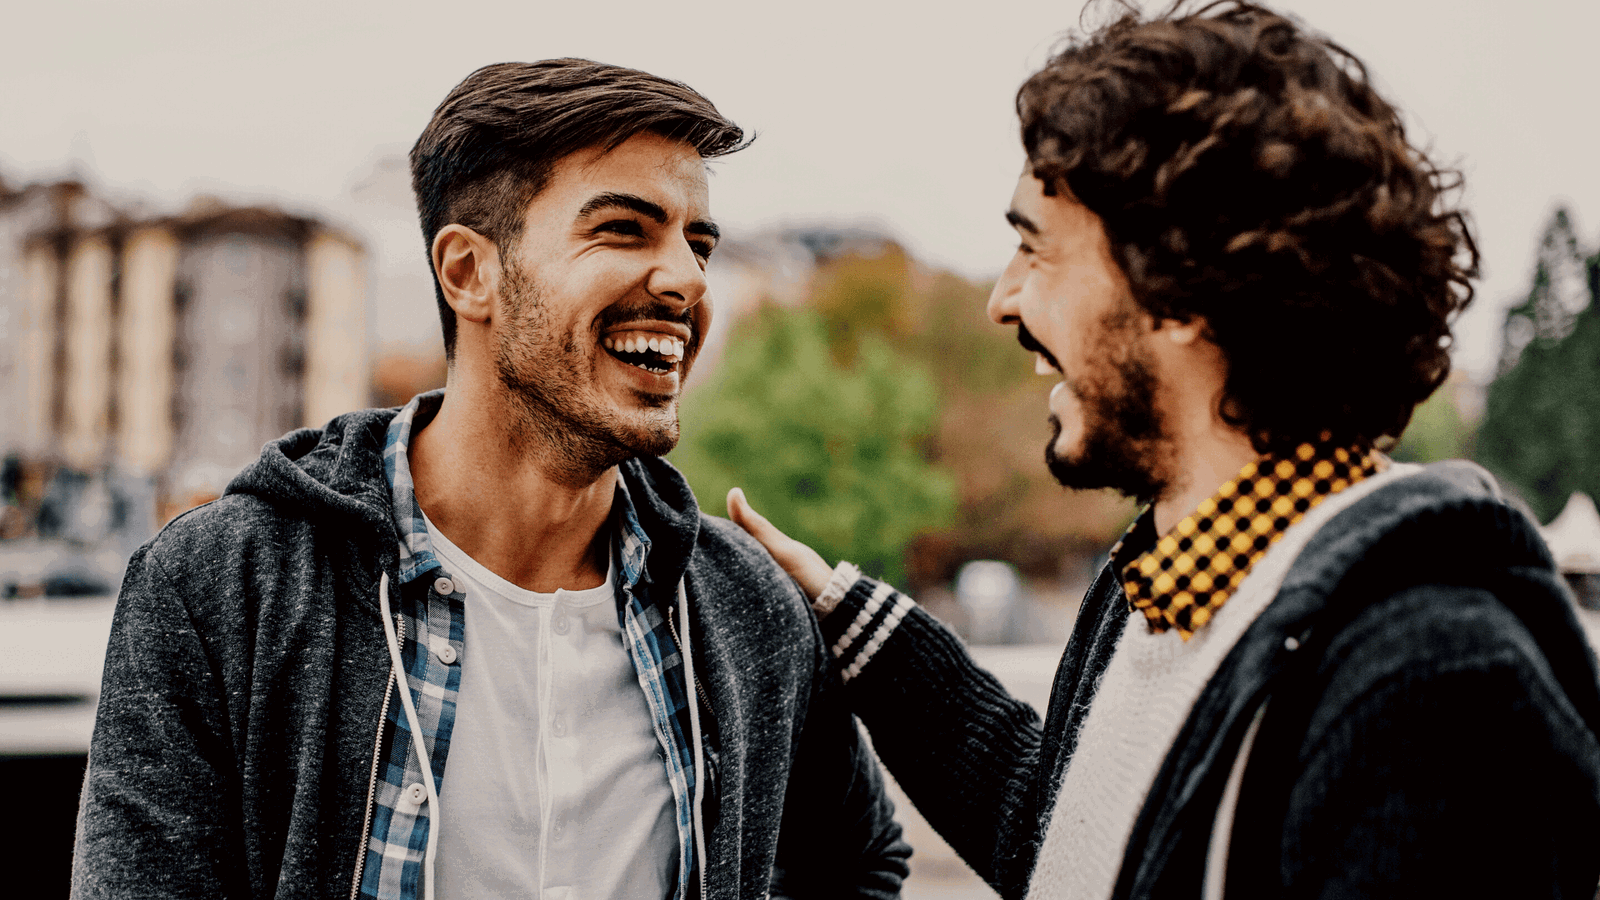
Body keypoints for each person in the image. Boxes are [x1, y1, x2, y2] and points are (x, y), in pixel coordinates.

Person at [729, 4, 1600, 898]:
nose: (1001, 300)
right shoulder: (1162, 580)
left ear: (1181, 285)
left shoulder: (1432, 684)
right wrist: (843, 613)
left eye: (1036, 249)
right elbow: (1075, 840)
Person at [72, 60, 909, 900]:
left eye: (698, 244)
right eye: (625, 229)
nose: (689, 281)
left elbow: (861, 862)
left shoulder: (743, 607)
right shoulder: (224, 588)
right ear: (469, 273)